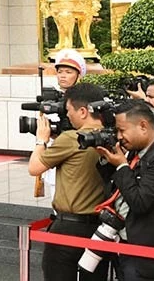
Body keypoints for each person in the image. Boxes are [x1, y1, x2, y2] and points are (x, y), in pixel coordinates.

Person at [29, 82, 113, 281]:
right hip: (100, 228)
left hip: (68, 228)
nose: (67, 116)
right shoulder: (111, 137)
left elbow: (34, 168)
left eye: (69, 111)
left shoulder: (71, 138)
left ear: (83, 111)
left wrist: (41, 140)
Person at [95, 101, 154, 281]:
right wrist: (107, 158)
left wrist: (122, 166)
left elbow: (140, 202)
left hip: (149, 256)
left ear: (143, 126)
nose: (119, 137)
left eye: (122, 130)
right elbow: (115, 185)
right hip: (126, 245)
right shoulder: (136, 152)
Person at [40, 49, 87, 199]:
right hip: (54, 155)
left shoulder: (84, 100)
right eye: (60, 72)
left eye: (68, 72)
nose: (63, 75)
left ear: (78, 75)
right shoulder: (50, 99)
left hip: (78, 157)